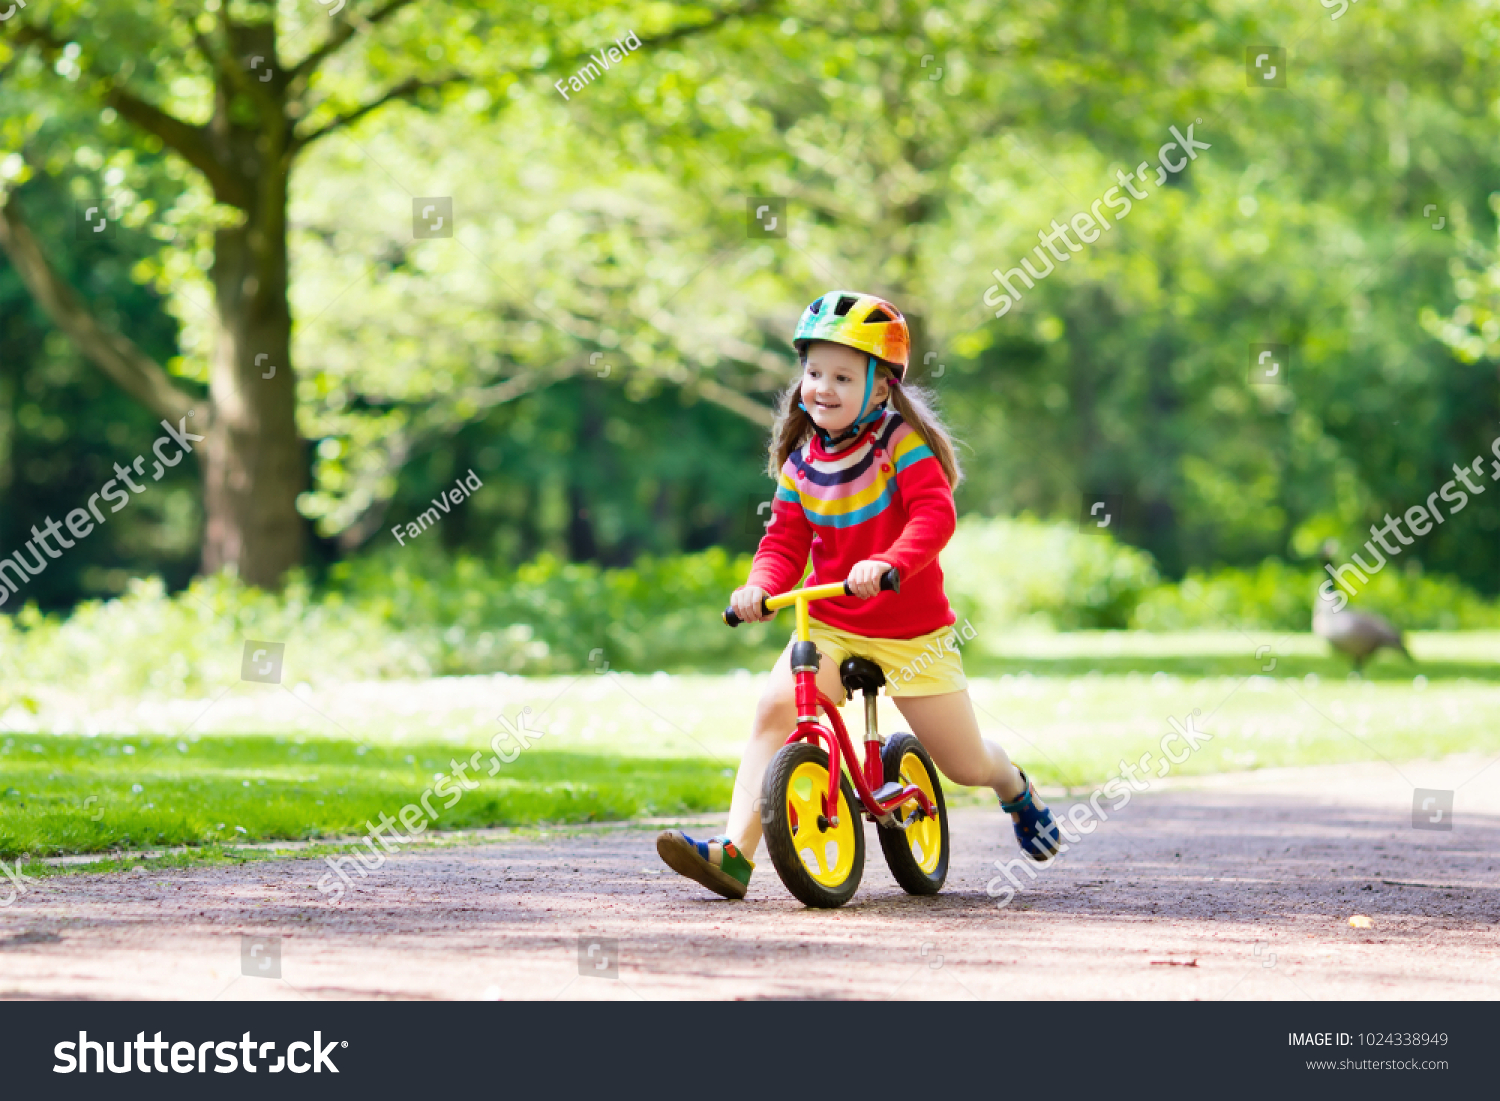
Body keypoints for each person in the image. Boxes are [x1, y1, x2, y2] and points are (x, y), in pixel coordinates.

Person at [657, 290, 1061, 900]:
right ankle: (736, 854)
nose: (822, 387)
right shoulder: (800, 464)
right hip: (832, 625)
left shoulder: (898, 442)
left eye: (843, 376)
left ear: (879, 389)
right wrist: (760, 588)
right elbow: (784, 543)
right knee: (774, 709)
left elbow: (934, 514)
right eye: (814, 372)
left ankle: (1012, 786)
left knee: (964, 764)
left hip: (912, 634)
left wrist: (891, 561)